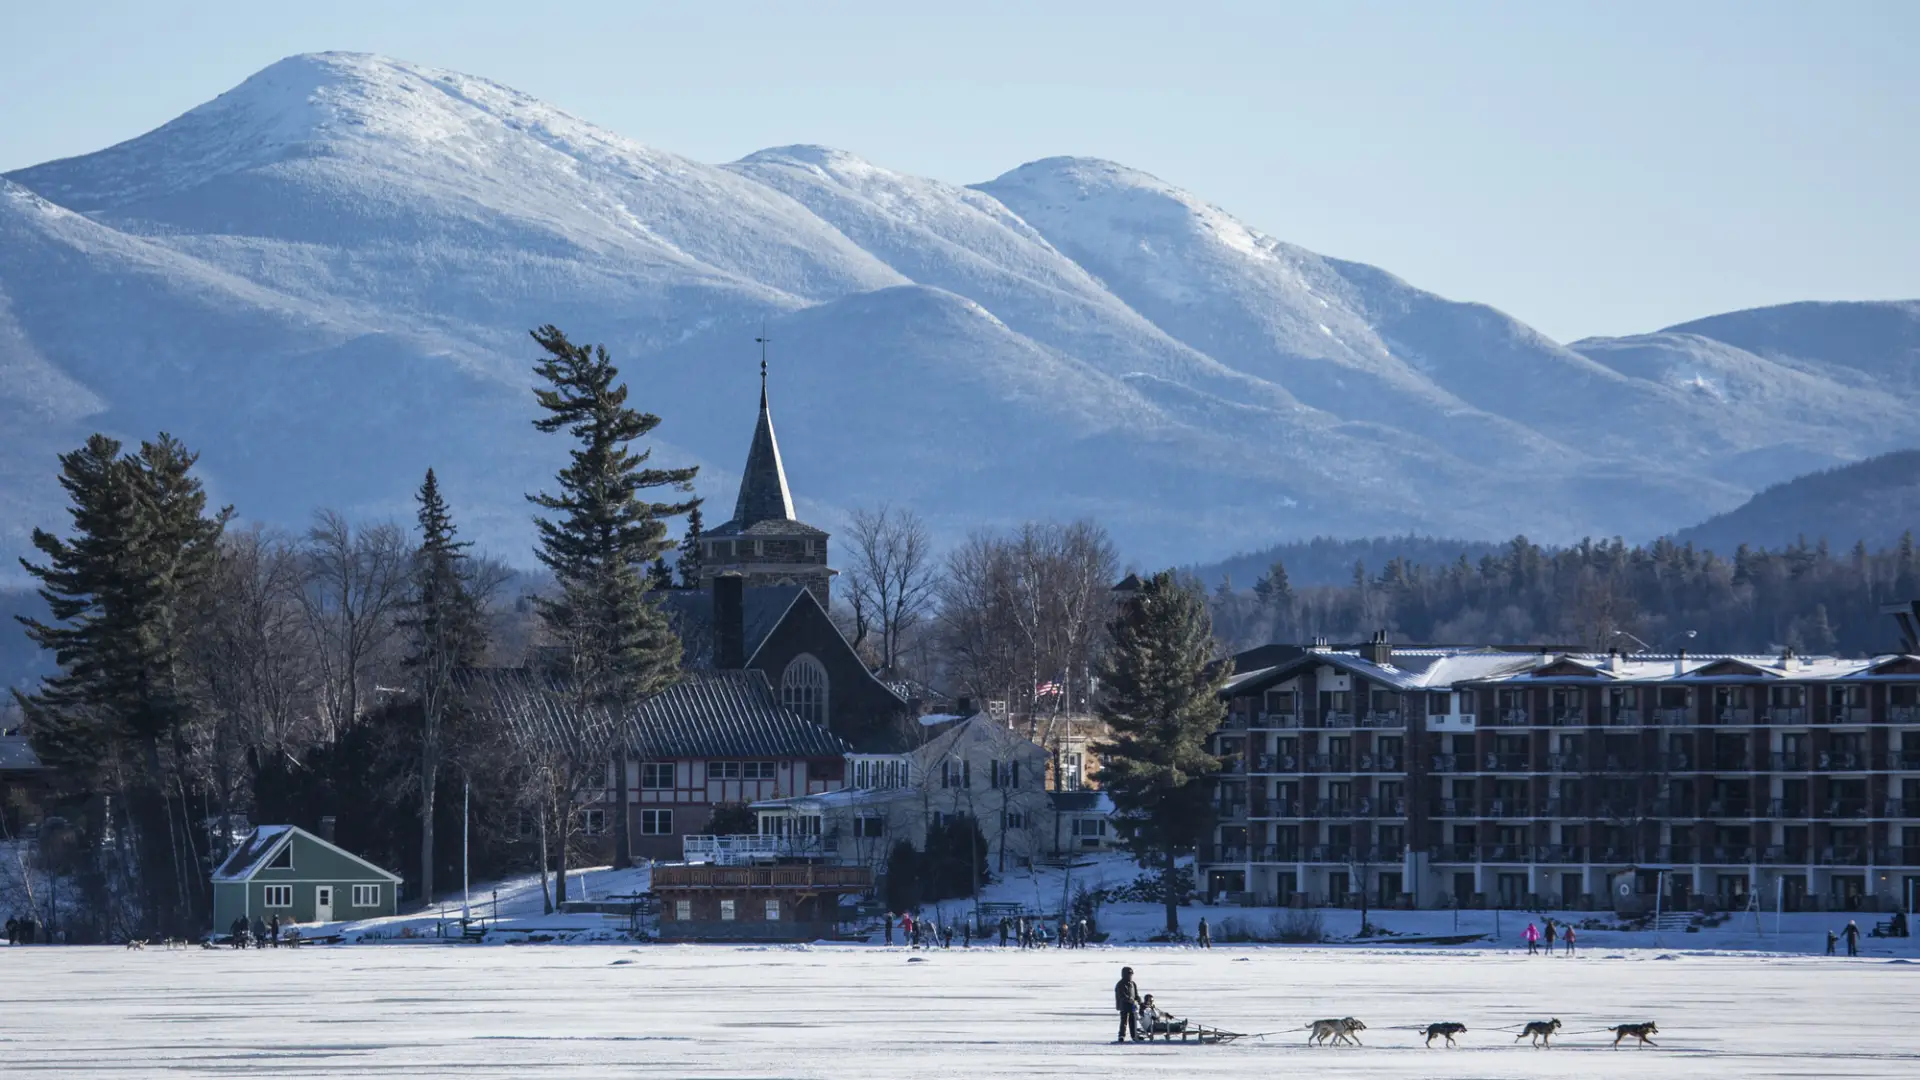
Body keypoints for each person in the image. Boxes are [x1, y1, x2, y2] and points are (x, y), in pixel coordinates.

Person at [1114, 966, 1141, 1044]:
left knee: (1133, 1021)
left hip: (1132, 1006)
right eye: (1129, 974)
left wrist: (1139, 1000)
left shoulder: (1133, 984)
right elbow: (1122, 996)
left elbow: (1136, 994)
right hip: (1124, 1006)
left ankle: (1134, 1035)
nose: (1130, 975)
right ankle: (1121, 1036)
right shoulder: (1120, 984)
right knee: (1124, 1022)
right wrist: (1131, 1000)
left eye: (1131, 974)